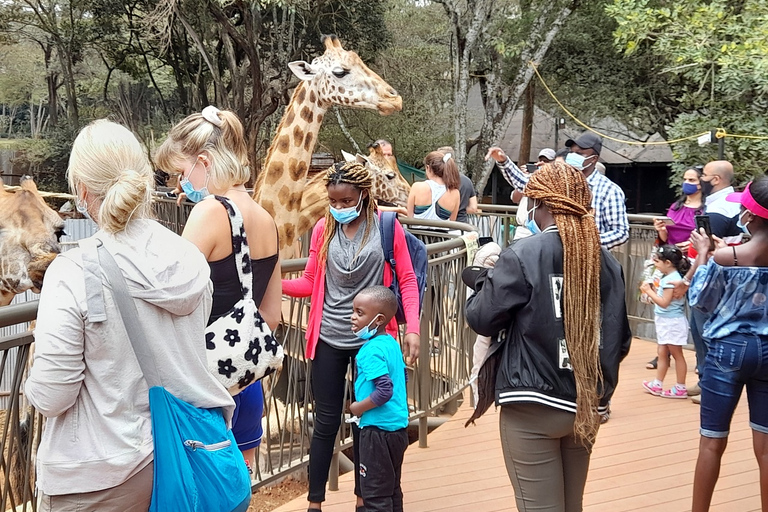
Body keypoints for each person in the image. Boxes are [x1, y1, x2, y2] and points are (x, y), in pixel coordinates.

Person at [24, 120, 235, 511]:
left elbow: (52, 396)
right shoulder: (189, 256)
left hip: (101, 476)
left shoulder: (74, 271)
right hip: (187, 457)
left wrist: (30, 384)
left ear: (83, 189)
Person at [464, 162, 631, 512]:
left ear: (538, 204)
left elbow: (483, 318)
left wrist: (483, 281)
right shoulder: (606, 262)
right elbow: (622, 339)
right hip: (587, 402)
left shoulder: (523, 254)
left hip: (533, 403)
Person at [282, 161, 420, 511]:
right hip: (328, 337)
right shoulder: (322, 230)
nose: (340, 208)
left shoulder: (387, 228)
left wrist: (413, 329)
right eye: (334, 201)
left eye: (346, 201)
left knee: (367, 421)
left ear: (363, 195)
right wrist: (272, 284)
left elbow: (406, 280)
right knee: (325, 422)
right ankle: (315, 503)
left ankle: (364, 497)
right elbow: (310, 281)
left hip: (371, 341)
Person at [155, 105, 281, 475]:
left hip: (205, 385)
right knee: (235, 489)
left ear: (204, 161)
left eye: (182, 172)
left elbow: (172, 298)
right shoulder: (266, 218)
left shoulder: (211, 211)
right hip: (246, 381)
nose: (181, 185)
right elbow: (272, 314)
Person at [682, 177, 768, 512]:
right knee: (765, 446)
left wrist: (705, 253)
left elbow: (701, 300)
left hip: (728, 350)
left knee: (712, 441)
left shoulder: (726, 257)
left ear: (752, 215)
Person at [672, 161, 743, 401]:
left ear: (716, 180)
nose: (698, 179)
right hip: (718, 274)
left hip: (715, 278)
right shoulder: (727, 202)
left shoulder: (722, 208)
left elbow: (708, 250)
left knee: (707, 332)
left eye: (703, 175)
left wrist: (688, 280)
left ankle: (713, 385)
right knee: (699, 329)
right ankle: (704, 378)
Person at [486, 132, 630, 249]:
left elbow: (620, 232)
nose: (574, 157)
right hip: (555, 255)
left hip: (590, 266)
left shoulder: (610, 191)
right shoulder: (560, 180)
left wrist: (586, 242)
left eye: (580, 153)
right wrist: (504, 161)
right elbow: (525, 183)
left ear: (594, 159)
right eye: (573, 153)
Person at [349, 286, 409, 512]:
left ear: (378, 319)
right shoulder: (391, 344)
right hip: (397, 429)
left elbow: (384, 391)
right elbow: (402, 376)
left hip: (376, 432)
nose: (353, 317)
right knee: (392, 490)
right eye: (353, 311)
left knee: (374, 496)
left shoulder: (370, 350)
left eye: (360, 313)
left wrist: (357, 407)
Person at [645, 166, 705, 373]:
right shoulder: (676, 206)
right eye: (685, 178)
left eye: (692, 179)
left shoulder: (705, 209)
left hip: (694, 261)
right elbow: (665, 237)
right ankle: (663, 353)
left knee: (696, 311)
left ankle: (701, 358)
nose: (687, 182)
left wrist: (693, 245)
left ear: (701, 183)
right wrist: (661, 230)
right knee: (667, 308)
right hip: (670, 263)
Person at [640, 245, 691, 399]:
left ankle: (680, 387)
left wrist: (649, 292)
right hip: (665, 320)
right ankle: (657, 383)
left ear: (667, 263)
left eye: (658, 262)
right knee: (662, 352)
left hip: (672, 321)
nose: (656, 264)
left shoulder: (672, 280)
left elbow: (664, 303)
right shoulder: (668, 278)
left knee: (676, 353)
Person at [406, 150, 461, 223]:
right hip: (442, 234)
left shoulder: (417, 187)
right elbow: (452, 221)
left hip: (416, 233)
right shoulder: (455, 193)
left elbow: (409, 216)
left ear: (428, 168)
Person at [438, 146, 478, 223]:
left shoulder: (437, 180)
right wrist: (460, 210)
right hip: (462, 224)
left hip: (442, 225)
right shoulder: (467, 181)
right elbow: (473, 208)